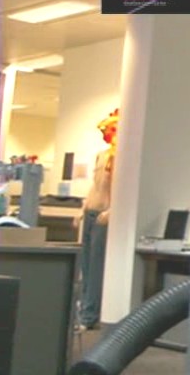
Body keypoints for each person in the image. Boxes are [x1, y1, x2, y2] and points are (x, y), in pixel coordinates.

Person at [76, 109, 119, 330]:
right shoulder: (102, 155)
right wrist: (83, 208)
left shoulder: (119, 155)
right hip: (91, 212)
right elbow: (96, 184)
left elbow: (119, 186)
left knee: (96, 265)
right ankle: (84, 308)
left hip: (104, 214)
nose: (106, 133)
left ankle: (89, 315)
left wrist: (112, 210)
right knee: (85, 263)